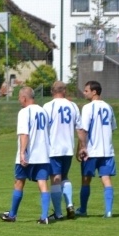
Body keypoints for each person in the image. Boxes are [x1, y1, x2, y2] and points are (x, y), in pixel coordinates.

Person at [0, 86, 52, 224]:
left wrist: (22, 152)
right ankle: (44, 216)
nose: (19, 100)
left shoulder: (24, 112)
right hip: (43, 154)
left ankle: (12, 215)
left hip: (29, 154)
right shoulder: (43, 111)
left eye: (19, 98)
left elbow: (24, 134)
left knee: (19, 182)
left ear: (24, 98)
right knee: (42, 183)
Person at [76, 80, 117, 217]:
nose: (84, 93)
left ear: (94, 92)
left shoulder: (88, 108)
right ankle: (108, 211)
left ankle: (83, 209)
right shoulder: (108, 107)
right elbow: (113, 128)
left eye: (86, 90)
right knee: (106, 179)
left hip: (91, 151)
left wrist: (81, 148)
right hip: (107, 151)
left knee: (86, 179)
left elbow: (83, 130)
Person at [43, 81, 80, 220]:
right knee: (65, 177)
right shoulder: (73, 106)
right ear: (65, 91)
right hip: (68, 148)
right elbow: (80, 129)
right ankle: (69, 204)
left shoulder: (48, 106)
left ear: (52, 91)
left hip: (54, 148)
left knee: (55, 179)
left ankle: (58, 213)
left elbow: (43, 128)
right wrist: (82, 147)